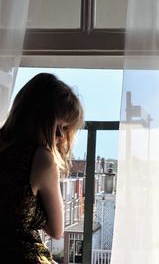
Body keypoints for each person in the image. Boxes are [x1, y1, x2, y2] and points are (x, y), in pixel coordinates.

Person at [0, 73, 84, 263]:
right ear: (39, 119)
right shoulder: (41, 159)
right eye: (58, 126)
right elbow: (56, 230)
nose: (62, 136)